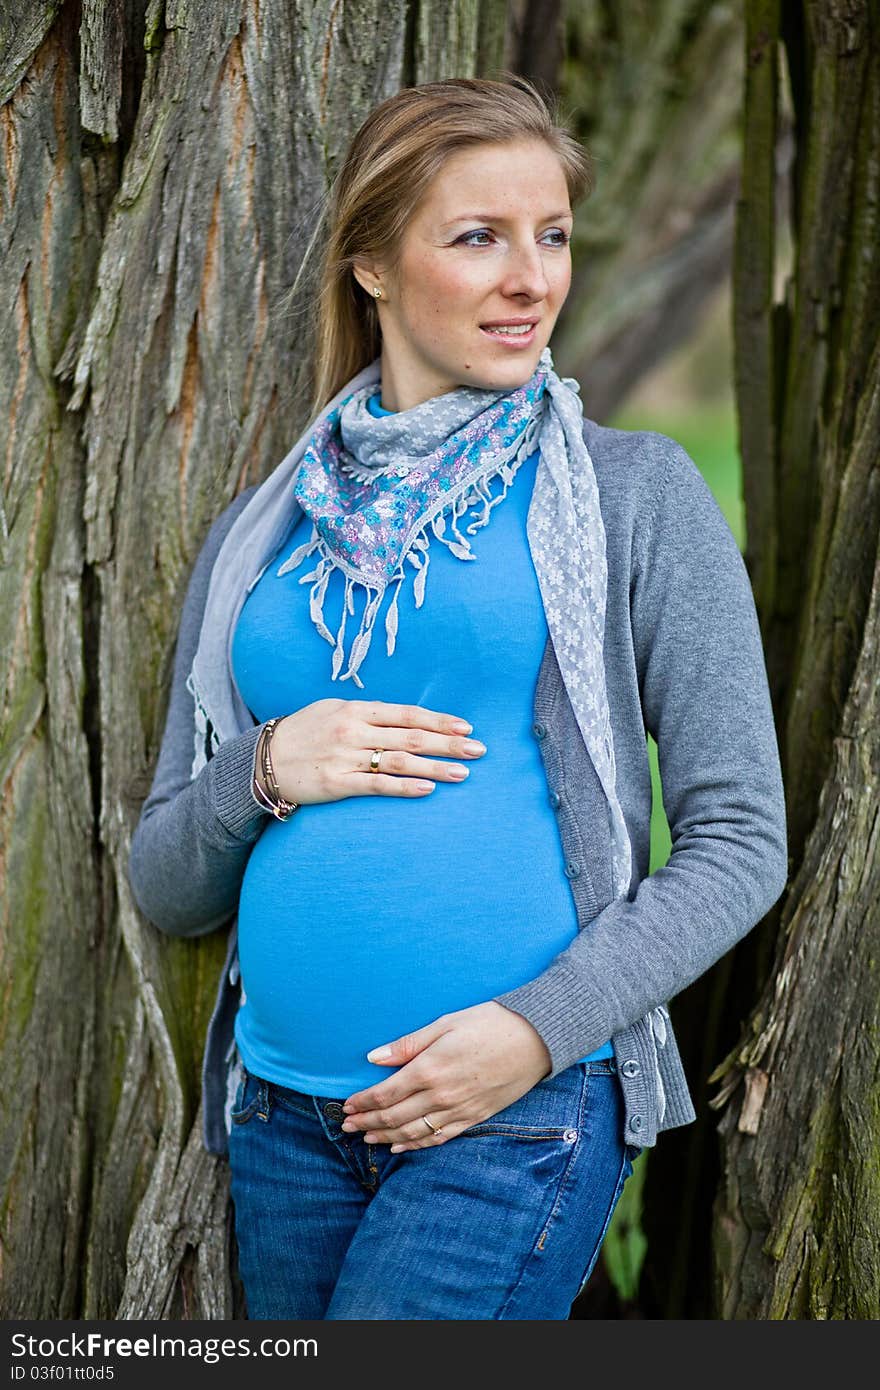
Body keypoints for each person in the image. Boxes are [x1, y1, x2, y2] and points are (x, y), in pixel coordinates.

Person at [128, 75, 788, 1320]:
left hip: (512, 1118)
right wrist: (264, 767)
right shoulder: (261, 537)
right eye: (478, 237)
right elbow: (165, 882)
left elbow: (741, 840)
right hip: (279, 1121)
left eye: (551, 235)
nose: (531, 278)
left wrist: (538, 1033)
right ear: (371, 265)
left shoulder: (632, 497)